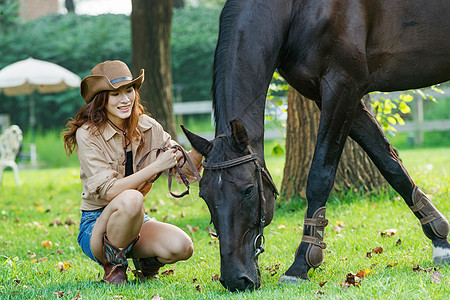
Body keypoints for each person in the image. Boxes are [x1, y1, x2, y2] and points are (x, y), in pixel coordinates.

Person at [62, 60, 202, 285]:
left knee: (182, 246)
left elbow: (186, 170)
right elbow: (109, 192)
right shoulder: (88, 134)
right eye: (115, 94)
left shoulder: (148, 126)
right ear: (102, 98)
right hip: (97, 224)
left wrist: (200, 149)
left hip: (136, 219)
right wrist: (156, 166)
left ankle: (146, 261)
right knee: (132, 198)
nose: (125, 99)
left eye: (129, 90)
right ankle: (114, 265)